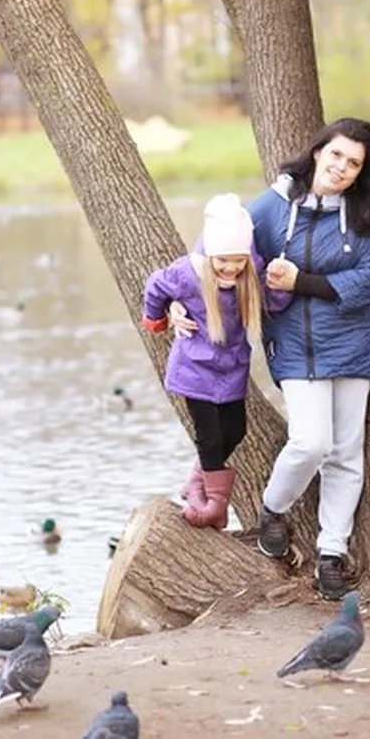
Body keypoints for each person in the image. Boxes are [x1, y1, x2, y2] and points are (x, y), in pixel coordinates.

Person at [174, 118, 370, 600]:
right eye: (336, 155)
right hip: (294, 344)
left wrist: (303, 282)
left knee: (346, 455)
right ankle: (272, 509)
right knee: (312, 442)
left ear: (361, 172)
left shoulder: (366, 213)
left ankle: (331, 553)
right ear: (318, 152)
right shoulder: (274, 207)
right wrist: (177, 299)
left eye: (354, 163)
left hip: (355, 344)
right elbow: (216, 245)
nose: (342, 168)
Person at [142, 194, 291, 529]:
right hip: (195, 369)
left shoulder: (250, 277)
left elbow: (273, 304)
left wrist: (282, 286)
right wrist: (158, 317)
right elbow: (155, 286)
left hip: (232, 369)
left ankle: (197, 480)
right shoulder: (188, 274)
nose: (230, 268)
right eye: (222, 260)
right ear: (210, 255)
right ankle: (215, 506)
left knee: (235, 431)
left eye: (238, 261)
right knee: (209, 436)